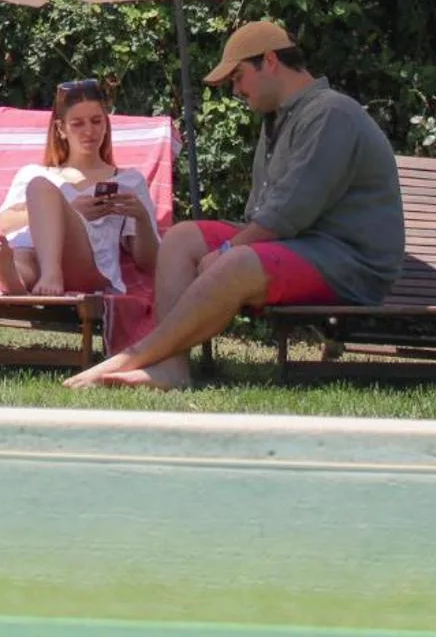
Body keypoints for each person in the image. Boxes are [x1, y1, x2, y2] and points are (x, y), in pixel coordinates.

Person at [65, 21, 405, 390]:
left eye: (239, 77)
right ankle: (171, 369)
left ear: (270, 61)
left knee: (238, 260)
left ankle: (132, 357)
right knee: (182, 237)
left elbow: (288, 214)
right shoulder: (279, 118)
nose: (237, 90)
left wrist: (230, 249)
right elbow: (262, 212)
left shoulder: (331, 114)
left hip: (348, 262)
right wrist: (228, 247)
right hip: (302, 246)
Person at [0, 78, 158, 296]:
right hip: (29, 251)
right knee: (23, 250)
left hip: (87, 262)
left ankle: (49, 273)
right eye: (78, 124)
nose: (89, 131)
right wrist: (65, 209)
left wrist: (141, 217)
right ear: (61, 129)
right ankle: (13, 279)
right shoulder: (33, 172)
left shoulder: (128, 180)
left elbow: (148, 263)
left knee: (41, 188)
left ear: (106, 124)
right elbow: (5, 222)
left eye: (96, 121)